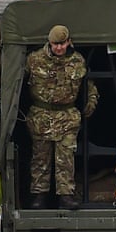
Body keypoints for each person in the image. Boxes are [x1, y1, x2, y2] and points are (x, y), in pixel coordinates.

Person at [25, 25, 98, 210]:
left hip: (67, 115)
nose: (59, 48)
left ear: (68, 42)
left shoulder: (77, 61)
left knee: (65, 158)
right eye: (55, 44)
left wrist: (91, 101)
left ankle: (66, 196)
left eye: (62, 44)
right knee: (41, 158)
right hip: (41, 115)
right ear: (49, 43)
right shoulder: (34, 60)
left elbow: (88, 84)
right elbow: (18, 85)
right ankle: (39, 196)